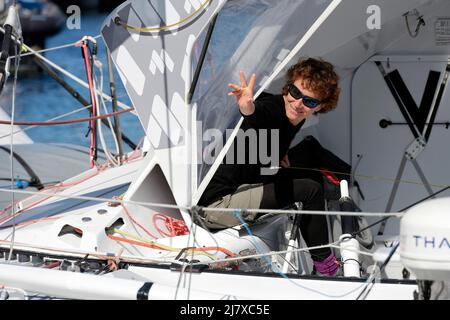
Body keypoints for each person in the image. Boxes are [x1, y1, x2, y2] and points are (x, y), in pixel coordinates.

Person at [198, 58, 349, 276]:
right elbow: (260, 115)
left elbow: (266, 135)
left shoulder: (295, 118)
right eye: (294, 93)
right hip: (217, 205)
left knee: (311, 167)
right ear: (287, 87)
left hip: (244, 183)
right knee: (311, 189)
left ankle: (323, 244)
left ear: (321, 106)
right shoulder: (274, 108)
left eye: (309, 102)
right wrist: (248, 108)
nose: (297, 103)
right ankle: (325, 266)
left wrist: (276, 153)